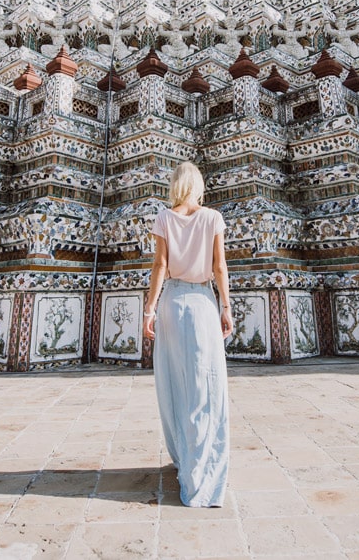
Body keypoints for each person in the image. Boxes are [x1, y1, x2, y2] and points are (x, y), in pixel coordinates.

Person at [143, 161, 233, 507]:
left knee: (175, 384)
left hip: (172, 303)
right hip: (203, 303)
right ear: (198, 185)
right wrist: (226, 307)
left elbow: (160, 266)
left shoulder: (164, 217)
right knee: (207, 388)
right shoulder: (213, 218)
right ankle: (203, 469)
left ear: (175, 185)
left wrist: (149, 310)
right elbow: (219, 266)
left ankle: (186, 460)